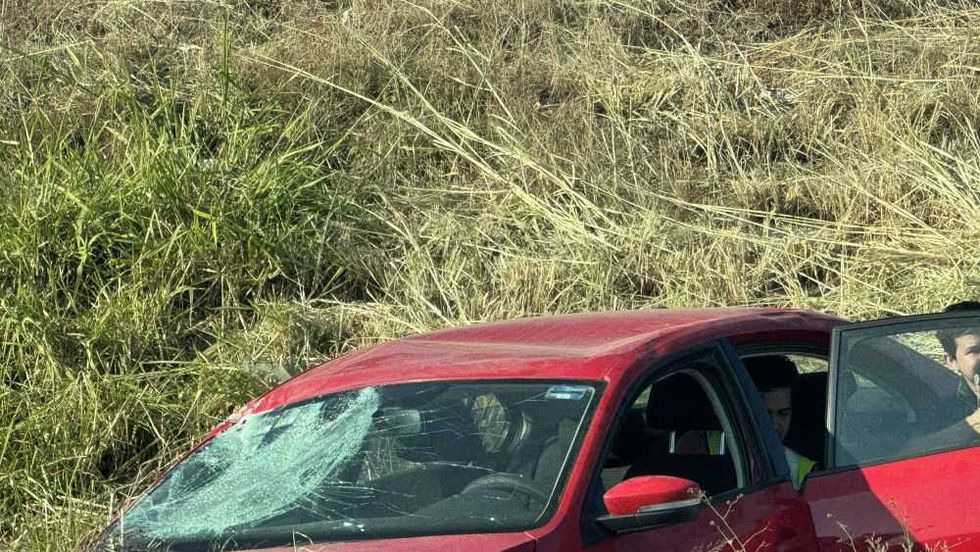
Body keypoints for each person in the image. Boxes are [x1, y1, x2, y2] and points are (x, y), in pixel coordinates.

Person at [743, 355, 815, 489]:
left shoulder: (804, 471)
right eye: (765, 414)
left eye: (783, 413)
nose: (775, 424)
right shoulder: (709, 451)